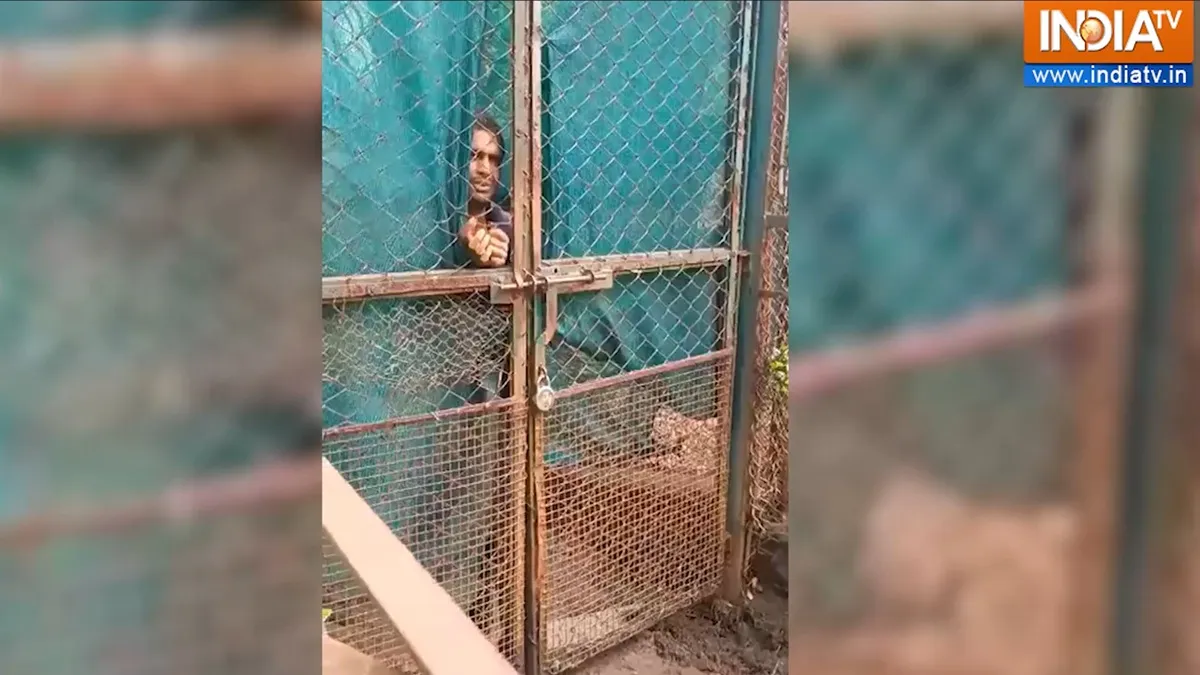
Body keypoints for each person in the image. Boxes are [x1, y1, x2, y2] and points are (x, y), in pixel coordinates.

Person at [459, 113, 512, 268]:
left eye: (494, 160)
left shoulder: (508, 226)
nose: (486, 170)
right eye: (474, 156)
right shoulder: (436, 227)